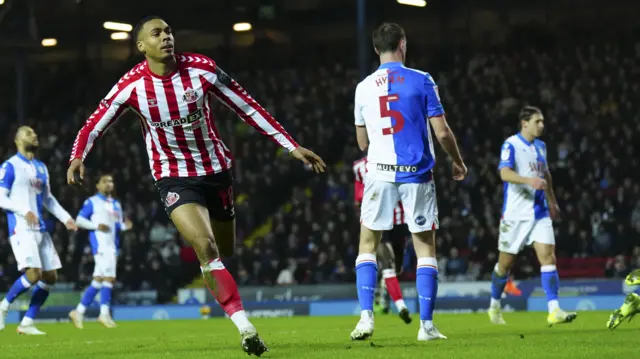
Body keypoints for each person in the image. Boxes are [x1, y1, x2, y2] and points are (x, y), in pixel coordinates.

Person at [66, 16, 325, 356]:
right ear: (141, 46)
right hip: (173, 177)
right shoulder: (131, 87)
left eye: (169, 31)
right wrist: (77, 156)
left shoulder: (202, 69)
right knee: (206, 247)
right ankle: (245, 327)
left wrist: (290, 145)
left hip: (216, 172)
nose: (166, 37)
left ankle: (226, 285)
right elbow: (93, 124)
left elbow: (247, 106)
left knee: (225, 247)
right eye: (156, 34)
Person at [350, 22, 467, 342]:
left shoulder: (363, 87)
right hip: (416, 173)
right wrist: (457, 161)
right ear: (403, 44)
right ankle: (426, 326)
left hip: (379, 172)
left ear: (376, 49)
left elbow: (362, 142)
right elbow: (442, 132)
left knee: (367, 246)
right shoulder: (422, 80)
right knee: (425, 248)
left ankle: (365, 319)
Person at [488, 106, 577, 326]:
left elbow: (545, 174)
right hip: (515, 215)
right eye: (537, 121)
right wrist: (529, 181)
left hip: (539, 212)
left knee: (548, 256)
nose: (542, 125)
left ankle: (554, 309)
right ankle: (494, 305)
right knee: (504, 266)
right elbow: (504, 173)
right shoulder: (511, 144)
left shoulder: (541, 146)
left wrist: (552, 200)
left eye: (543, 121)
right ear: (524, 123)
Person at [0, 126, 78, 335]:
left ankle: (27, 322)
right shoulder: (10, 166)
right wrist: (23, 210)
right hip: (21, 227)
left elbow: (48, 199)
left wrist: (66, 218)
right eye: (27, 133)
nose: (34, 135)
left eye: (35, 133)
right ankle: (3, 306)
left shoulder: (41, 167)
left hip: (40, 228)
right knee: (34, 274)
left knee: (50, 276)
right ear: (16, 141)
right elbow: (1, 197)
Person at [69, 174, 132, 329]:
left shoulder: (115, 204)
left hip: (113, 246)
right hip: (101, 246)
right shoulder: (92, 202)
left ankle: (78, 311)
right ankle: (104, 314)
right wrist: (96, 226)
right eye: (105, 181)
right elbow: (79, 220)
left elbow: (116, 226)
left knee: (98, 280)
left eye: (111, 181)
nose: (109, 184)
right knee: (109, 279)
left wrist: (125, 227)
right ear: (97, 185)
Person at [353, 155, 411, 323]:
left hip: (400, 222)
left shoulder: (398, 158)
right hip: (379, 220)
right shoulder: (359, 167)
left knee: (396, 267)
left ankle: (382, 297)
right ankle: (399, 306)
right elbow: (358, 198)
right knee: (388, 263)